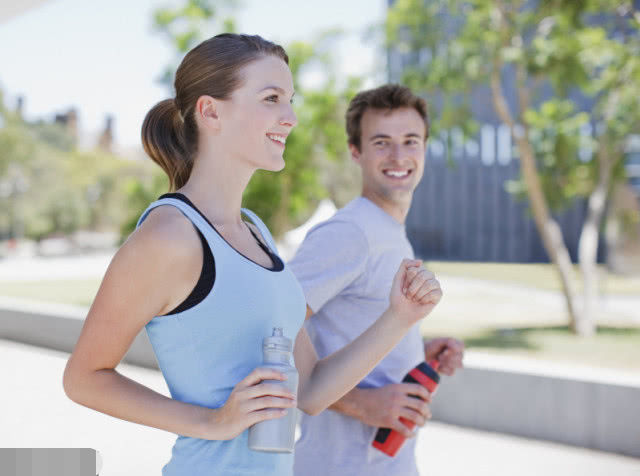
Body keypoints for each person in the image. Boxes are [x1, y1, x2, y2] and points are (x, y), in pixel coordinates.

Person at [62, 35, 444, 476]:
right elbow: (84, 378)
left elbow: (313, 391)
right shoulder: (169, 236)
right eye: (271, 98)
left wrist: (399, 317)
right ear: (210, 112)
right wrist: (211, 422)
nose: (290, 117)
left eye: (290, 100)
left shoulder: (256, 233)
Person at [289, 84, 464, 476]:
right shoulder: (351, 232)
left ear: (424, 148)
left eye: (410, 141)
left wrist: (419, 350)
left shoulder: (388, 230)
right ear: (356, 151)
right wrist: (361, 404)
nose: (399, 156)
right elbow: (270, 330)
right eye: (381, 142)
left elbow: (352, 328)